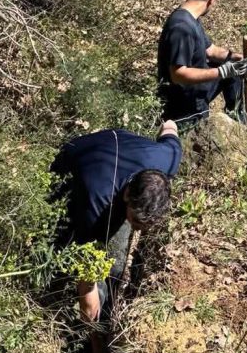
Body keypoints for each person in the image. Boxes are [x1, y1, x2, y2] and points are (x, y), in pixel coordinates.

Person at [50, 122, 182, 333]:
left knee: (115, 265)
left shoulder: (168, 158)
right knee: (63, 240)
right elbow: (87, 286)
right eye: (135, 222)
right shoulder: (95, 207)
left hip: (114, 152)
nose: (138, 231)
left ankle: (111, 299)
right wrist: (94, 337)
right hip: (73, 162)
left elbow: (170, 126)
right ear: (127, 195)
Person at [157, 0, 247, 126]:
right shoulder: (182, 28)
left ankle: (238, 119)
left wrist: (239, 59)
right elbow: (177, 75)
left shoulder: (191, 18)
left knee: (233, 75)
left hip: (196, 89)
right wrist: (222, 72)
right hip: (183, 104)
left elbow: (211, 50)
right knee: (227, 73)